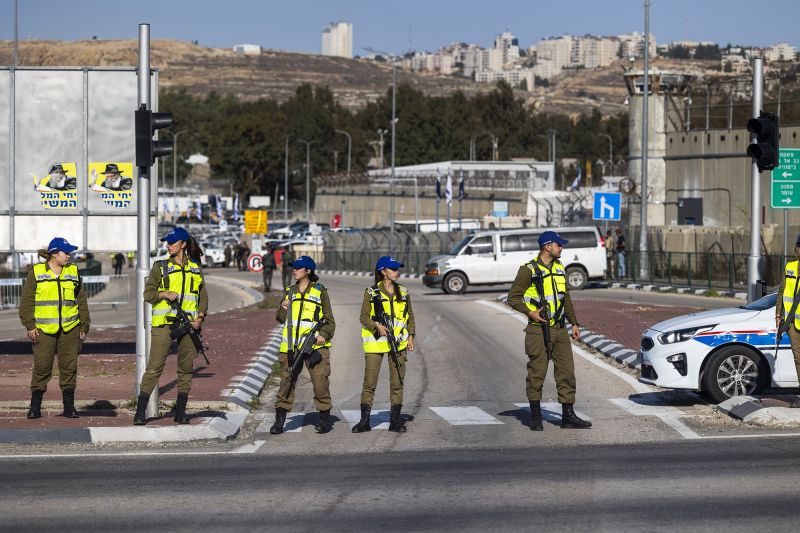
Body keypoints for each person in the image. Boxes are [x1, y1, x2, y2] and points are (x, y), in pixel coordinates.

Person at [507, 230, 592, 431]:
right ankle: (535, 417)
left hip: (560, 329)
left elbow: (566, 297)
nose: (561, 248)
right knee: (537, 373)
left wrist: (574, 322)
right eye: (559, 245)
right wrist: (531, 313)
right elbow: (513, 297)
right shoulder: (528, 270)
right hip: (537, 330)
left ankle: (568, 416)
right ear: (548, 246)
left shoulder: (560, 267)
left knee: (566, 373)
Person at [133, 227, 208, 425]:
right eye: (167, 242)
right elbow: (148, 294)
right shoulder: (160, 267)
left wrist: (200, 318)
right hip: (164, 324)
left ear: (183, 244)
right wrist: (164, 294)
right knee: (154, 368)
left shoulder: (195, 267)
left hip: (189, 325)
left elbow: (203, 297)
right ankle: (140, 411)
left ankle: (180, 411)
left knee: (185, 369)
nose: (168, 246)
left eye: (172, 243)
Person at [18, 237, 90, 419]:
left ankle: (69, 407)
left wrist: (84, 324)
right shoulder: (36, 272)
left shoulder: (73, 271)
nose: (69, 256)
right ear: (55, 253)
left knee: (69, 368)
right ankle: (35, 407)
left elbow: (81, 299)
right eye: (66, 253)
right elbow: (27, 301)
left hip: (70, 329)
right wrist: (30, 325)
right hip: (43, 330)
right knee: (42, 367)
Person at [269, 256, 336, 434]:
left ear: (308, 271)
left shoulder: (320, 292)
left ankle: (324, 419)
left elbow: (329, 321)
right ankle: (279, 421)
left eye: (298, 268)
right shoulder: (289, 291)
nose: (294, 271)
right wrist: (283, 308)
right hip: (291, 347)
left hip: (314, 345)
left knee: (320, 381)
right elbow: (280, 319)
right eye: (294, 268)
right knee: (286, 382)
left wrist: (323, 335)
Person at [352, 256, 416, 433]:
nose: (397, 272)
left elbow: (410, 315)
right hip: (376, 343)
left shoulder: (403, 291)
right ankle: (364, 422)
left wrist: (411, 336)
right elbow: (363, 317)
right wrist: (377, 326)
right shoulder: (371, 292)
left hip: (398, 343)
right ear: (383, 272)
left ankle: (395, 422)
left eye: (397, 269)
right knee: (370, 383)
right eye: (393, 269)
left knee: (397, 383)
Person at [776, 237, 800, 408]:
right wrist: (778, 314)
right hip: (793, 324)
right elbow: (782, 292)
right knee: (798, 359)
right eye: (799, 247)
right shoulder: (789, 267)